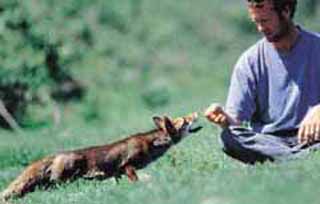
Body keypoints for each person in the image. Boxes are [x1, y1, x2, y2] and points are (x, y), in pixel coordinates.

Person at [204, 0, 320, 164]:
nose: (260, 28)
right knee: (229, 137)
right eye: (256, 22)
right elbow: (236, 123)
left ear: (286, 11)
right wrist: (224, 120)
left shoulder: (317, 46)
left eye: (264, 21)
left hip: (314, 136)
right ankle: (299, 158)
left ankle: (287, 159)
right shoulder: (249, 61)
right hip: (271, 141)